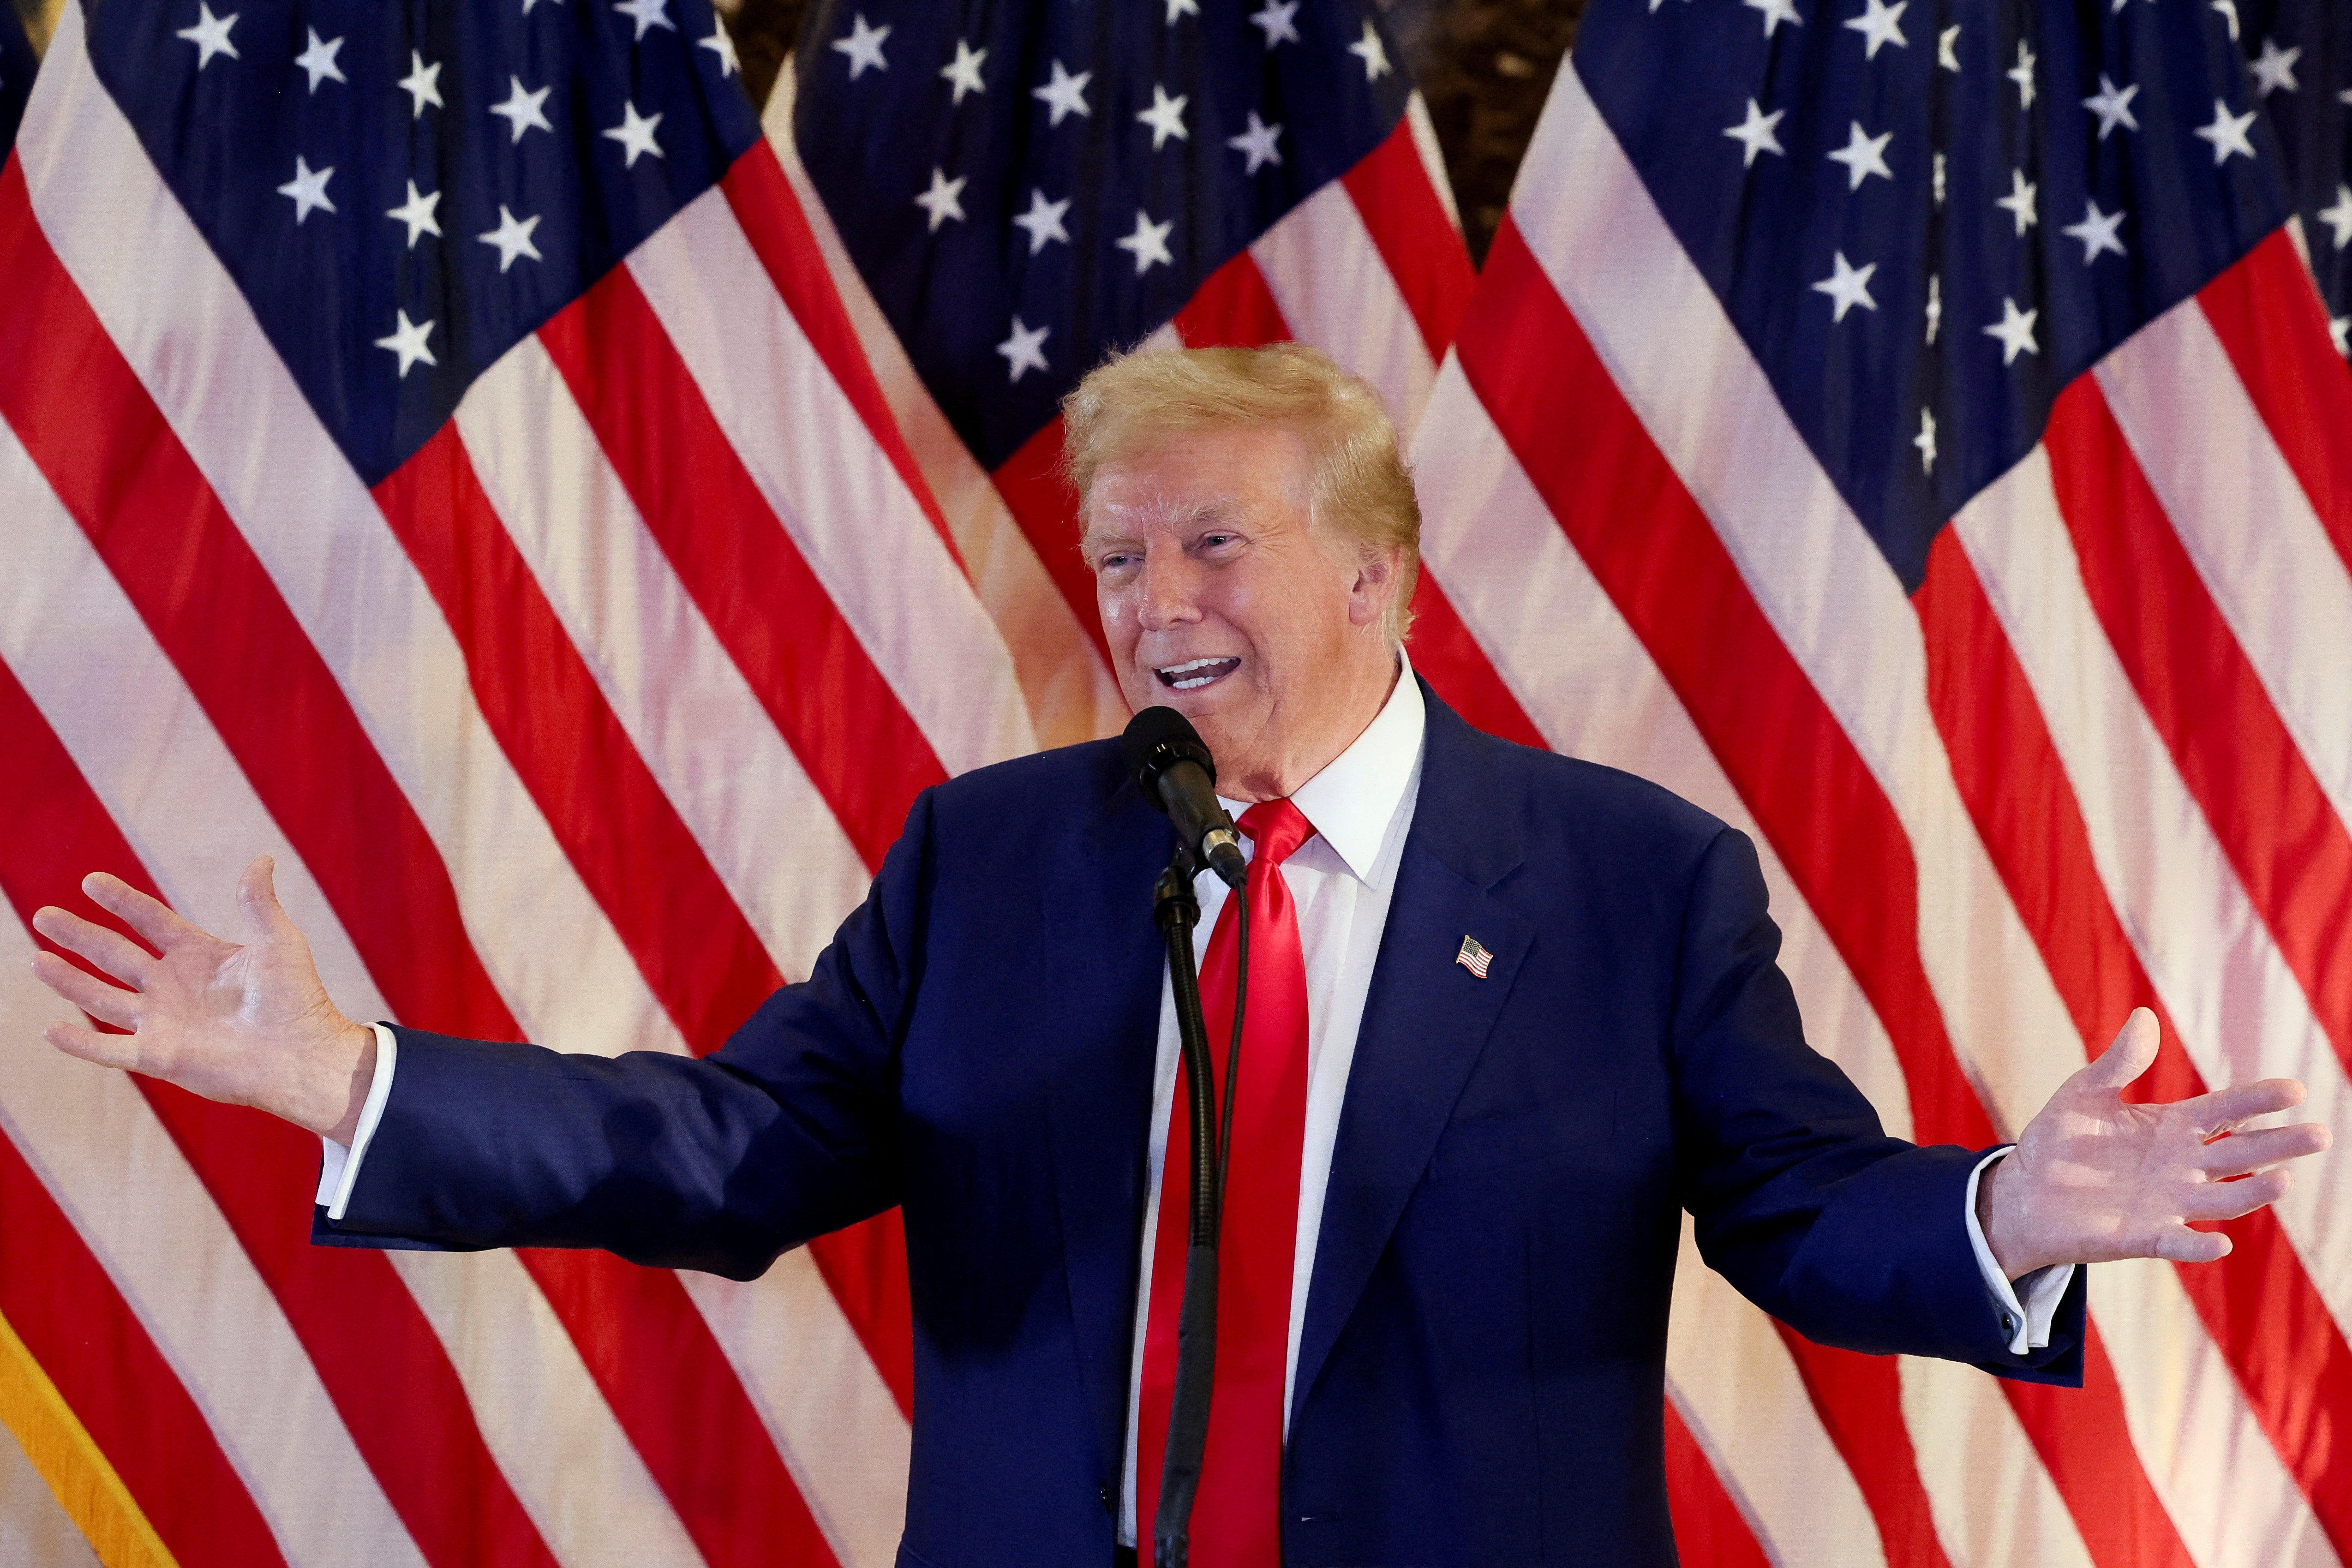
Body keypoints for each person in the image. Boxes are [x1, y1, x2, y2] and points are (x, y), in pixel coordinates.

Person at [28, 344, 2331, 1568]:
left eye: (1211, 542)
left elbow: (1799, 1203)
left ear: (1377, 581)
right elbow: (733, 1147)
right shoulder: (1002, 855)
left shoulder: (1634, 879)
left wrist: (2006, 1213)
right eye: (1118, 556)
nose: (1150, 604)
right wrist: (360, 1077)